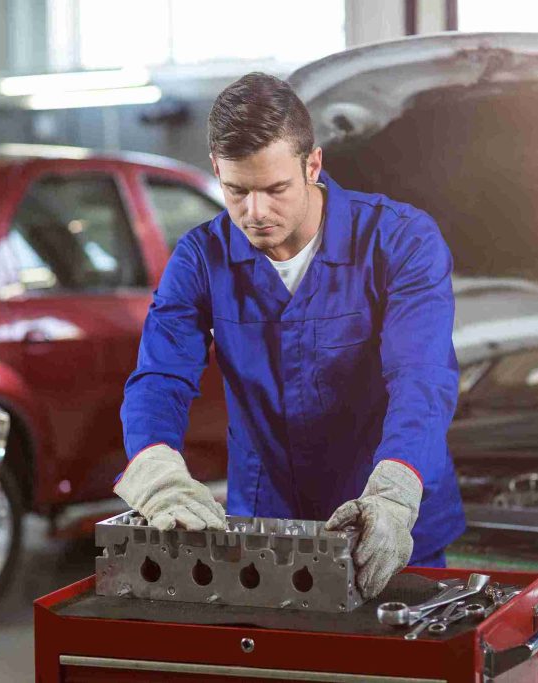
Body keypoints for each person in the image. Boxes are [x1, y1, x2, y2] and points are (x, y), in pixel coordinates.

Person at [114, 72, 465, 599]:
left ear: (313, 165)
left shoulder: (400, 241)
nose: (255, 213)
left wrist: (394, 496)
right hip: (267, 525)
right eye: (236, 190)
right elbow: (159, 378)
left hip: (391, 518)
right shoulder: (200, 258)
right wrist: (158, 474)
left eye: (275, 189)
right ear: (216, 171)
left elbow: (420, 377)